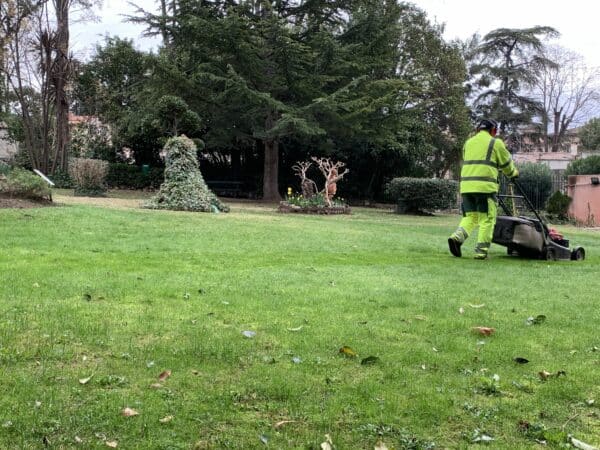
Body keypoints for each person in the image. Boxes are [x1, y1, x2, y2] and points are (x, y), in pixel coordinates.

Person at [448, 118, 519, 260]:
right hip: (485, 188)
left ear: (478, 130)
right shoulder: (495, 143)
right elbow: (506, 164)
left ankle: (456, 238)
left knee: (471, 217)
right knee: (487, 219)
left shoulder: (468, 143)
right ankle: (481, 252)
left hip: (467, 187)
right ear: (494, 131)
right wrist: (514, 174)